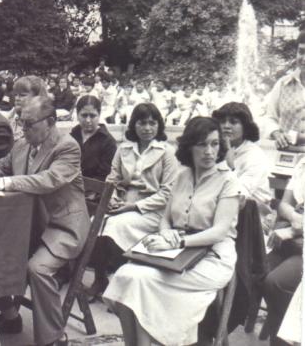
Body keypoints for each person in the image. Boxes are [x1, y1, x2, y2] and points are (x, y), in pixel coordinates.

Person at [0, 97, 89, 346]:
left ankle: (54, 338)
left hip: (62, 226)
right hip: (30, 224)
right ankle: (10, 316)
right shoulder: (23, 144)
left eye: (29, 125)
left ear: (51, 122)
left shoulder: (68, 146)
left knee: (38, 269)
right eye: (21, 123)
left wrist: (5, 183)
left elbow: (50, 180)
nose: (23, 130)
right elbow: (0, 166)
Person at [103, 117, 240, 346]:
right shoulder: (182, 175)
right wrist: (165, 233)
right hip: (177, 254)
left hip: (213, 258)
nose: (209, 151)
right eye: (202, 144)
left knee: (141, 281)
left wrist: (176, 243)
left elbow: (218, 232)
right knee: (125, 275)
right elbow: (166, 218)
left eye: (215, 144)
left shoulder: (228, 181)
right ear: (189, 147)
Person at [89, 103, 179, 295]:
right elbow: (111, 179)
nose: (147, 128)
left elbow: (167, 193)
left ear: (159, 125)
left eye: (152, 123)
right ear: (134, 125)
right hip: (122, 203)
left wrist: (131, 207)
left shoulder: (167, 152)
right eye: (142, 123)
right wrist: (112, 199)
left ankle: (121, 284)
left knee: (115, 226)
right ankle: (100, 278)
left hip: (152, 209)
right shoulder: (124, 149)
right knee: (95, 223)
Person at [261, 156, 304, 346]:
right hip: (295, 238)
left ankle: (285, 340)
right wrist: (295, 217)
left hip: (297, 238)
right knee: (258, 271)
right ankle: (279, 338)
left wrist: (295, 229)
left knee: (276, 282)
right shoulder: (303, 162)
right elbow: (284, 204)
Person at [212, 102, 273, 232]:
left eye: (233, 122)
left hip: (252, 220)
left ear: (246, 127)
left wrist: (230, 166)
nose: (226, 126)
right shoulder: (212, 148)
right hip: (215, 212)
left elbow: (238, 196)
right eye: (222, 122)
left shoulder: (255, 156)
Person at [263, 31, 305, 149]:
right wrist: (277, 133)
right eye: (301, 52)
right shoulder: (282, 84)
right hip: (287, 157)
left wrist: (298, 137)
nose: (303, 58)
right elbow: (269, 117)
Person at [70, 95, 117, 181]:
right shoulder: (73, 135)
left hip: (94, 189)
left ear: (99, 115)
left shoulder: (108, 142)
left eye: (92, 116)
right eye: (84, 115)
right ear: (77, 115)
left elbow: (104, 175)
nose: (88, 120)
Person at [6, 76, 47, 140]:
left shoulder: (40, 122)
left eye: (22, 95)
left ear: (37, 97)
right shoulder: (12, 114)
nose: (17, 98)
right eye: (15, 95)